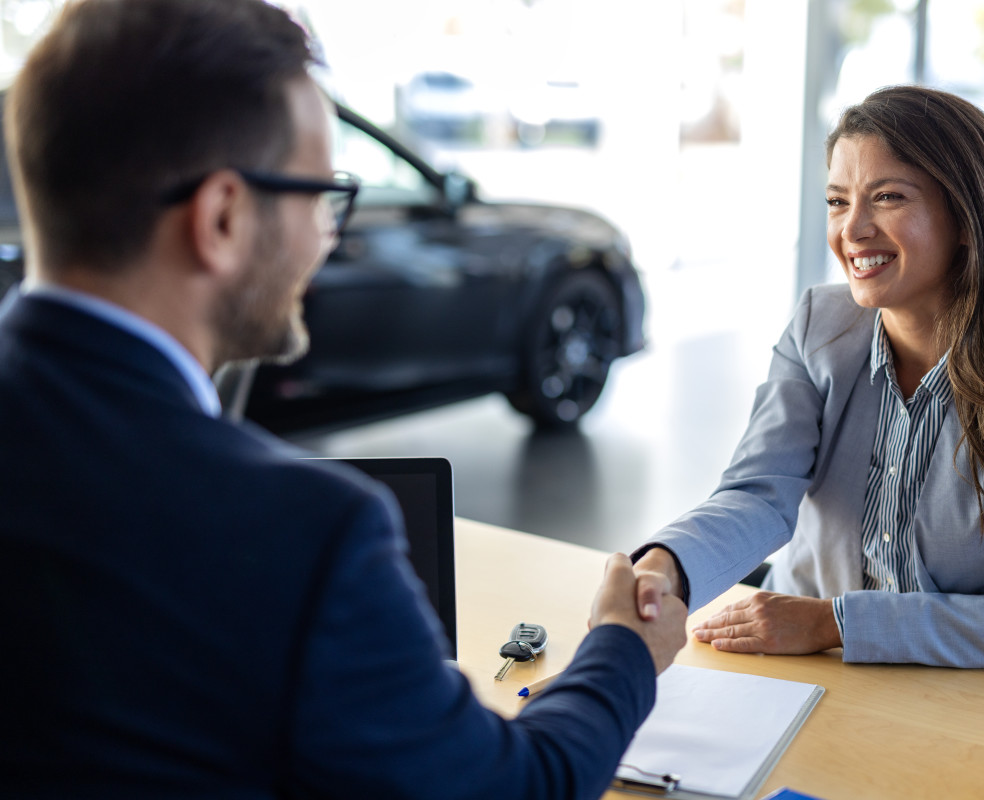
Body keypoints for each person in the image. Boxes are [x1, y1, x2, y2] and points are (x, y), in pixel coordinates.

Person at [0, 1, 687, 798]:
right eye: (321, 197)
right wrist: (623, 647)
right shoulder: (299, 536)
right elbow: (517, 787)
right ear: (222, 217)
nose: (327, 236)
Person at [632, 84, 984, 669]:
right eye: (837, 201)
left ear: (968, 218)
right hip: (801, 667)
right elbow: (757, 495)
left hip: (975, 690)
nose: (851, 230)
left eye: (887, 197)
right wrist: (664, 568)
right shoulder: (818, 327)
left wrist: (831, 623)